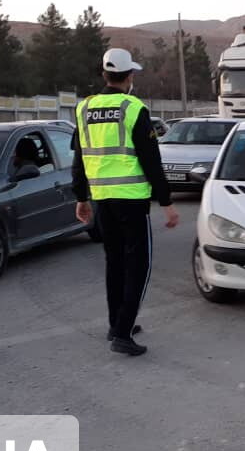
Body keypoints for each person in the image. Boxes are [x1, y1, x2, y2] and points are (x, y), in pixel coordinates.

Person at [72, 48, 179, 356]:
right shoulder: (133, 108)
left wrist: (81, 198)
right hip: (131, 201)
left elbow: (78, 158)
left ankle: (116, 323)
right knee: (138, 266)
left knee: (114, 263)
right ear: (129, 76)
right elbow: (151, 160)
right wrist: (167, 202)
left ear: (104, 75)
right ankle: (122, 332)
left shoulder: (84, 109)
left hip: (102, 199)